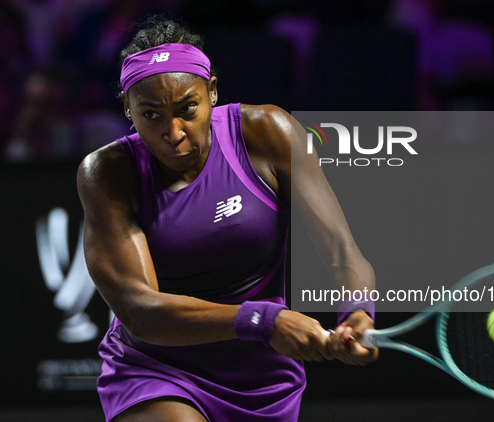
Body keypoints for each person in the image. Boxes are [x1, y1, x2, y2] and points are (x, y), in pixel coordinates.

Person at [77, 17, 377, 422]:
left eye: (187, 109)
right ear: (128, 108)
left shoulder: (267, 132)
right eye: (151, 115)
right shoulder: (107, 173)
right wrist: (262, 318)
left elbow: (342, 251)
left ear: (212, 92)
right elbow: (139, 310)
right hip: (156, 367)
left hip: (263, 374)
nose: (174, 131)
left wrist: (357, 311)